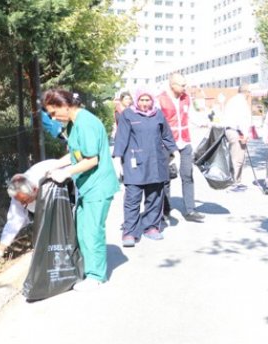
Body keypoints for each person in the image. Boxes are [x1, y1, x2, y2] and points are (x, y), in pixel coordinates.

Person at [43, 88, 120, 292]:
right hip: (87, 186)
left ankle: (96, 276)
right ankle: (88, 270)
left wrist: (66, 173)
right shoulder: (73, 124)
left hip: (98, 186)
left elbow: (92, 159)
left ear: (65, 106)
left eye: (53, 112)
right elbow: (75, 155)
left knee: (93, 230)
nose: (53, 118)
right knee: (82, 229)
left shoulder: (85, 123)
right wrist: (54, 166)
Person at [113, 88, 179, 247]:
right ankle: (129, 232)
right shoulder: (128, 114)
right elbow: (121, 138)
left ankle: (151, 227)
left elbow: (167, 136)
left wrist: (176, 152)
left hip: (156, 162)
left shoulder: (158, 114)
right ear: (137, 100)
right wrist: (117, 159)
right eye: (141, 100)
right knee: (132, 198)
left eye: (147, 100)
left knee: (155, 197)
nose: (144, 103)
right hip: (135, 162)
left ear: (152, 101)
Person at [0, 159, 64, 266]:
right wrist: (0, 251)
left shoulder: (48, 175)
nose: (22, 204)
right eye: (20, 202)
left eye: (25, 201)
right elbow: (14, 221)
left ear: (36, 189)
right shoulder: (19, 193)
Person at [157, 73, 205, 222]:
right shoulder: (160, 100)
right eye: (182, 85)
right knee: (165, 178)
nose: (185, 87)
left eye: (185, 84)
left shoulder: (186, 99)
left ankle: (190, 210)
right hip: (166, 144)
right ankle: (165, 210)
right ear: (173, 85)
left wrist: (207, 122)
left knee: (188, 175)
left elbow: (193, 116)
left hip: (184, 141)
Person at [221, 84, 253, 190]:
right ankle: (234, 182)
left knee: (234, 156)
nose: (249, 94)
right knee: (238, 158)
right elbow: (242, 120)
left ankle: (235, 180)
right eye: (249, 92)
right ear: (246, 92)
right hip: (237, 131)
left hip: (230, 130)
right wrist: (245, 134)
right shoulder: (242, 102)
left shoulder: (232, 100)